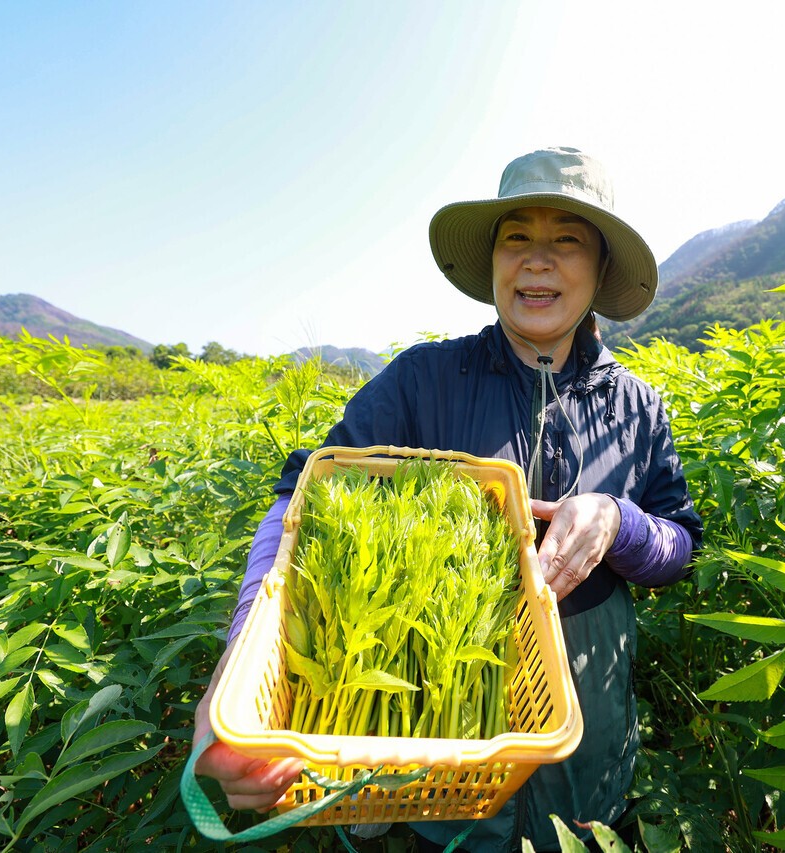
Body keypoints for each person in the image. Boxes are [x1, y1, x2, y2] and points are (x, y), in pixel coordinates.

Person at [192, 146, 703, 852]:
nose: (537, 261)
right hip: (435, 783)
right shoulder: (422, 381)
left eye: (567, 240)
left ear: (600, 267)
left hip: (589, 771)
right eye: (516, 238)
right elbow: (302, 497)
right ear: (493, 260)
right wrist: (240, 658)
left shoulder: (637, 407)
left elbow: (681, 544)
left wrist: (623, 523)